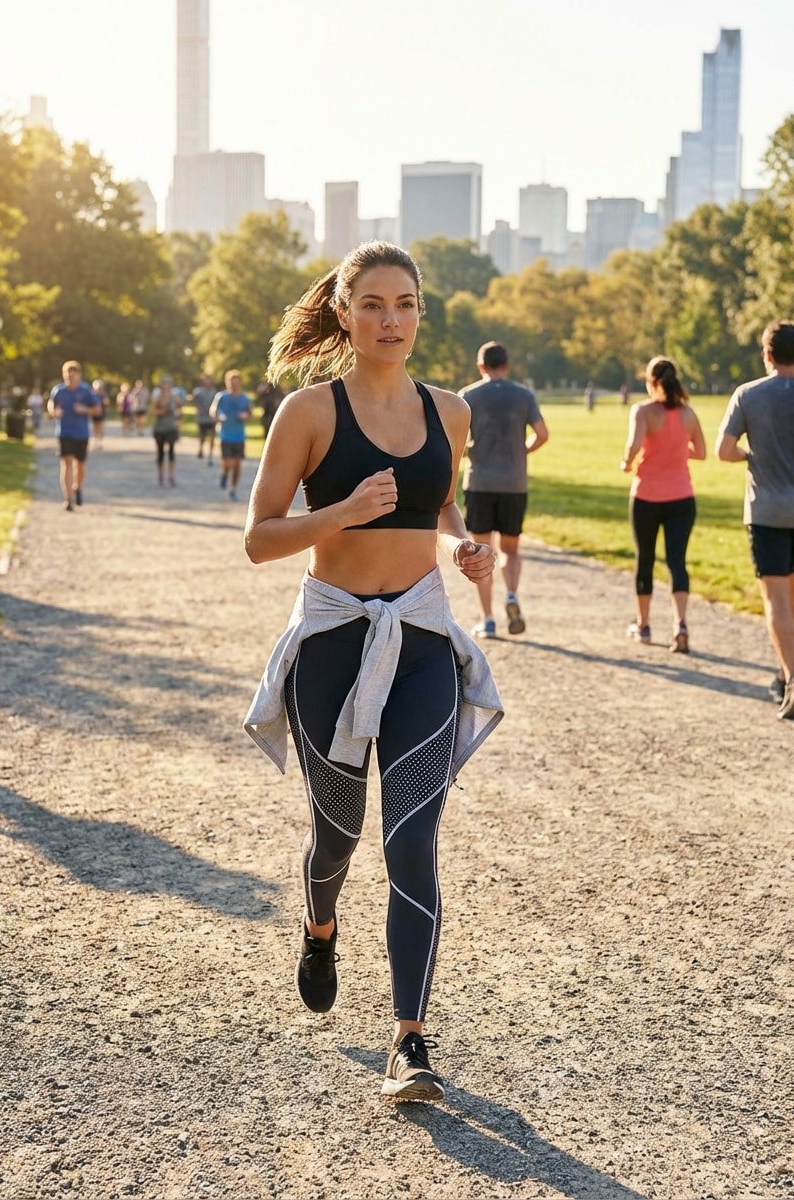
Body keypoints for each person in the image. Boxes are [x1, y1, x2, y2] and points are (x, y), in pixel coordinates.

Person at [243, 241, 504, 1105]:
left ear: (421, 314)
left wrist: (462, 545)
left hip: (423, 640)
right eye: (375, 304)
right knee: (338, 834)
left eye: (406, 304)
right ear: (345, 311)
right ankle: (320, 928)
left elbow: (440, 498)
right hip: (334, 645)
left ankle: (411, 1041)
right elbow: (259, 539)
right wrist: (345, 513)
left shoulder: (452, 411)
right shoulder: (309, 414)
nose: (391, 320)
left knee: (413, 840)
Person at [716, 320, 794, 720]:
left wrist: (750, 456)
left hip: (767, 509)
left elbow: (725, 450)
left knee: (774, 599)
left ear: (767, 354)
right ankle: (783, 671)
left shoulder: (749, 395)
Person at [460, 341, 549, 639]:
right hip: (514, 482)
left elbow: (456, 440)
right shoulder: (524, 395)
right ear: (507, 366)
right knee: (510, 549)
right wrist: (523, 451)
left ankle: (487, 619)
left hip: (481, 481)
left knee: (481, 552)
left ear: (481, 366)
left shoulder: (469, 396)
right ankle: (511, 594)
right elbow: (542, 434)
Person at [621, 356, 706, 652]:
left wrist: (627, 462)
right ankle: (680, 625)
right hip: (682, 497)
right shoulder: (688, 413)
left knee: (645, 558)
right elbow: (702, 451)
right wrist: (678, 452)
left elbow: (633, 445)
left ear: (651, 382)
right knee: (677, 562)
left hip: (647, 496)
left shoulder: (643, 411)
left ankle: (643, 626)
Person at [47, 361, 101, 511]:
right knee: (66, 462)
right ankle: (68, 498)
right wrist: (54, 412)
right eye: (67, 375)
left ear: (79, 375)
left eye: (73, 374)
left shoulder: (86, 391)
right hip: (64, 432)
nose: (70, 377)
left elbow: (97, 410)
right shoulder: (58, 390)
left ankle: (77, 487)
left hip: (82, 433)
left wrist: (85, 410)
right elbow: (51, 404)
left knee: (80, 465)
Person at [210, 370, 252, 501]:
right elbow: (212, 411)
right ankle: (224, 473)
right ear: (227, 383)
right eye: (231, 383)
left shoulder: (245, 398)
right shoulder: (221, 397)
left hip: (239, 436)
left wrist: (246, 416)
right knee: (228, 462)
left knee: (238, 464)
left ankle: (233, 489)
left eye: (236, 383)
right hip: (225, 435)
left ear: (239, 383)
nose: (233, 385)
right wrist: (218, 417)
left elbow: (251, 415)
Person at [150, 375, 181, 487]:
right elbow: (153, 411)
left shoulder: (174, 396)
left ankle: (170, 475)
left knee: (172, 452)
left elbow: (179, 408)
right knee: (160, 453)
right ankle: (160, 476)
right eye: (164, 384)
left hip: (171, 427)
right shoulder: (157, 397)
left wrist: (178, 422)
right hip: (160, 428)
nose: (166, 386)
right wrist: (161, 411)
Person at [193, 374, 217, 463]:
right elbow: (196, 403)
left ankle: (210, 454)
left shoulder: (215, 392)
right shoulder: (198, 392)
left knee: (212, 437)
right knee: (202, 435)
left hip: (211, 418)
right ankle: (201, 449)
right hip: (202, 417)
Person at [90, 379, 108, 449]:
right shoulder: (92, 394)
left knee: (100, 427)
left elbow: (107, 402)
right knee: (95, 427)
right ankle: (96, 441)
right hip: (94, 413)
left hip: (102, 412)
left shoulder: (103, 394)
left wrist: (104, 402)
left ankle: (100, 442)